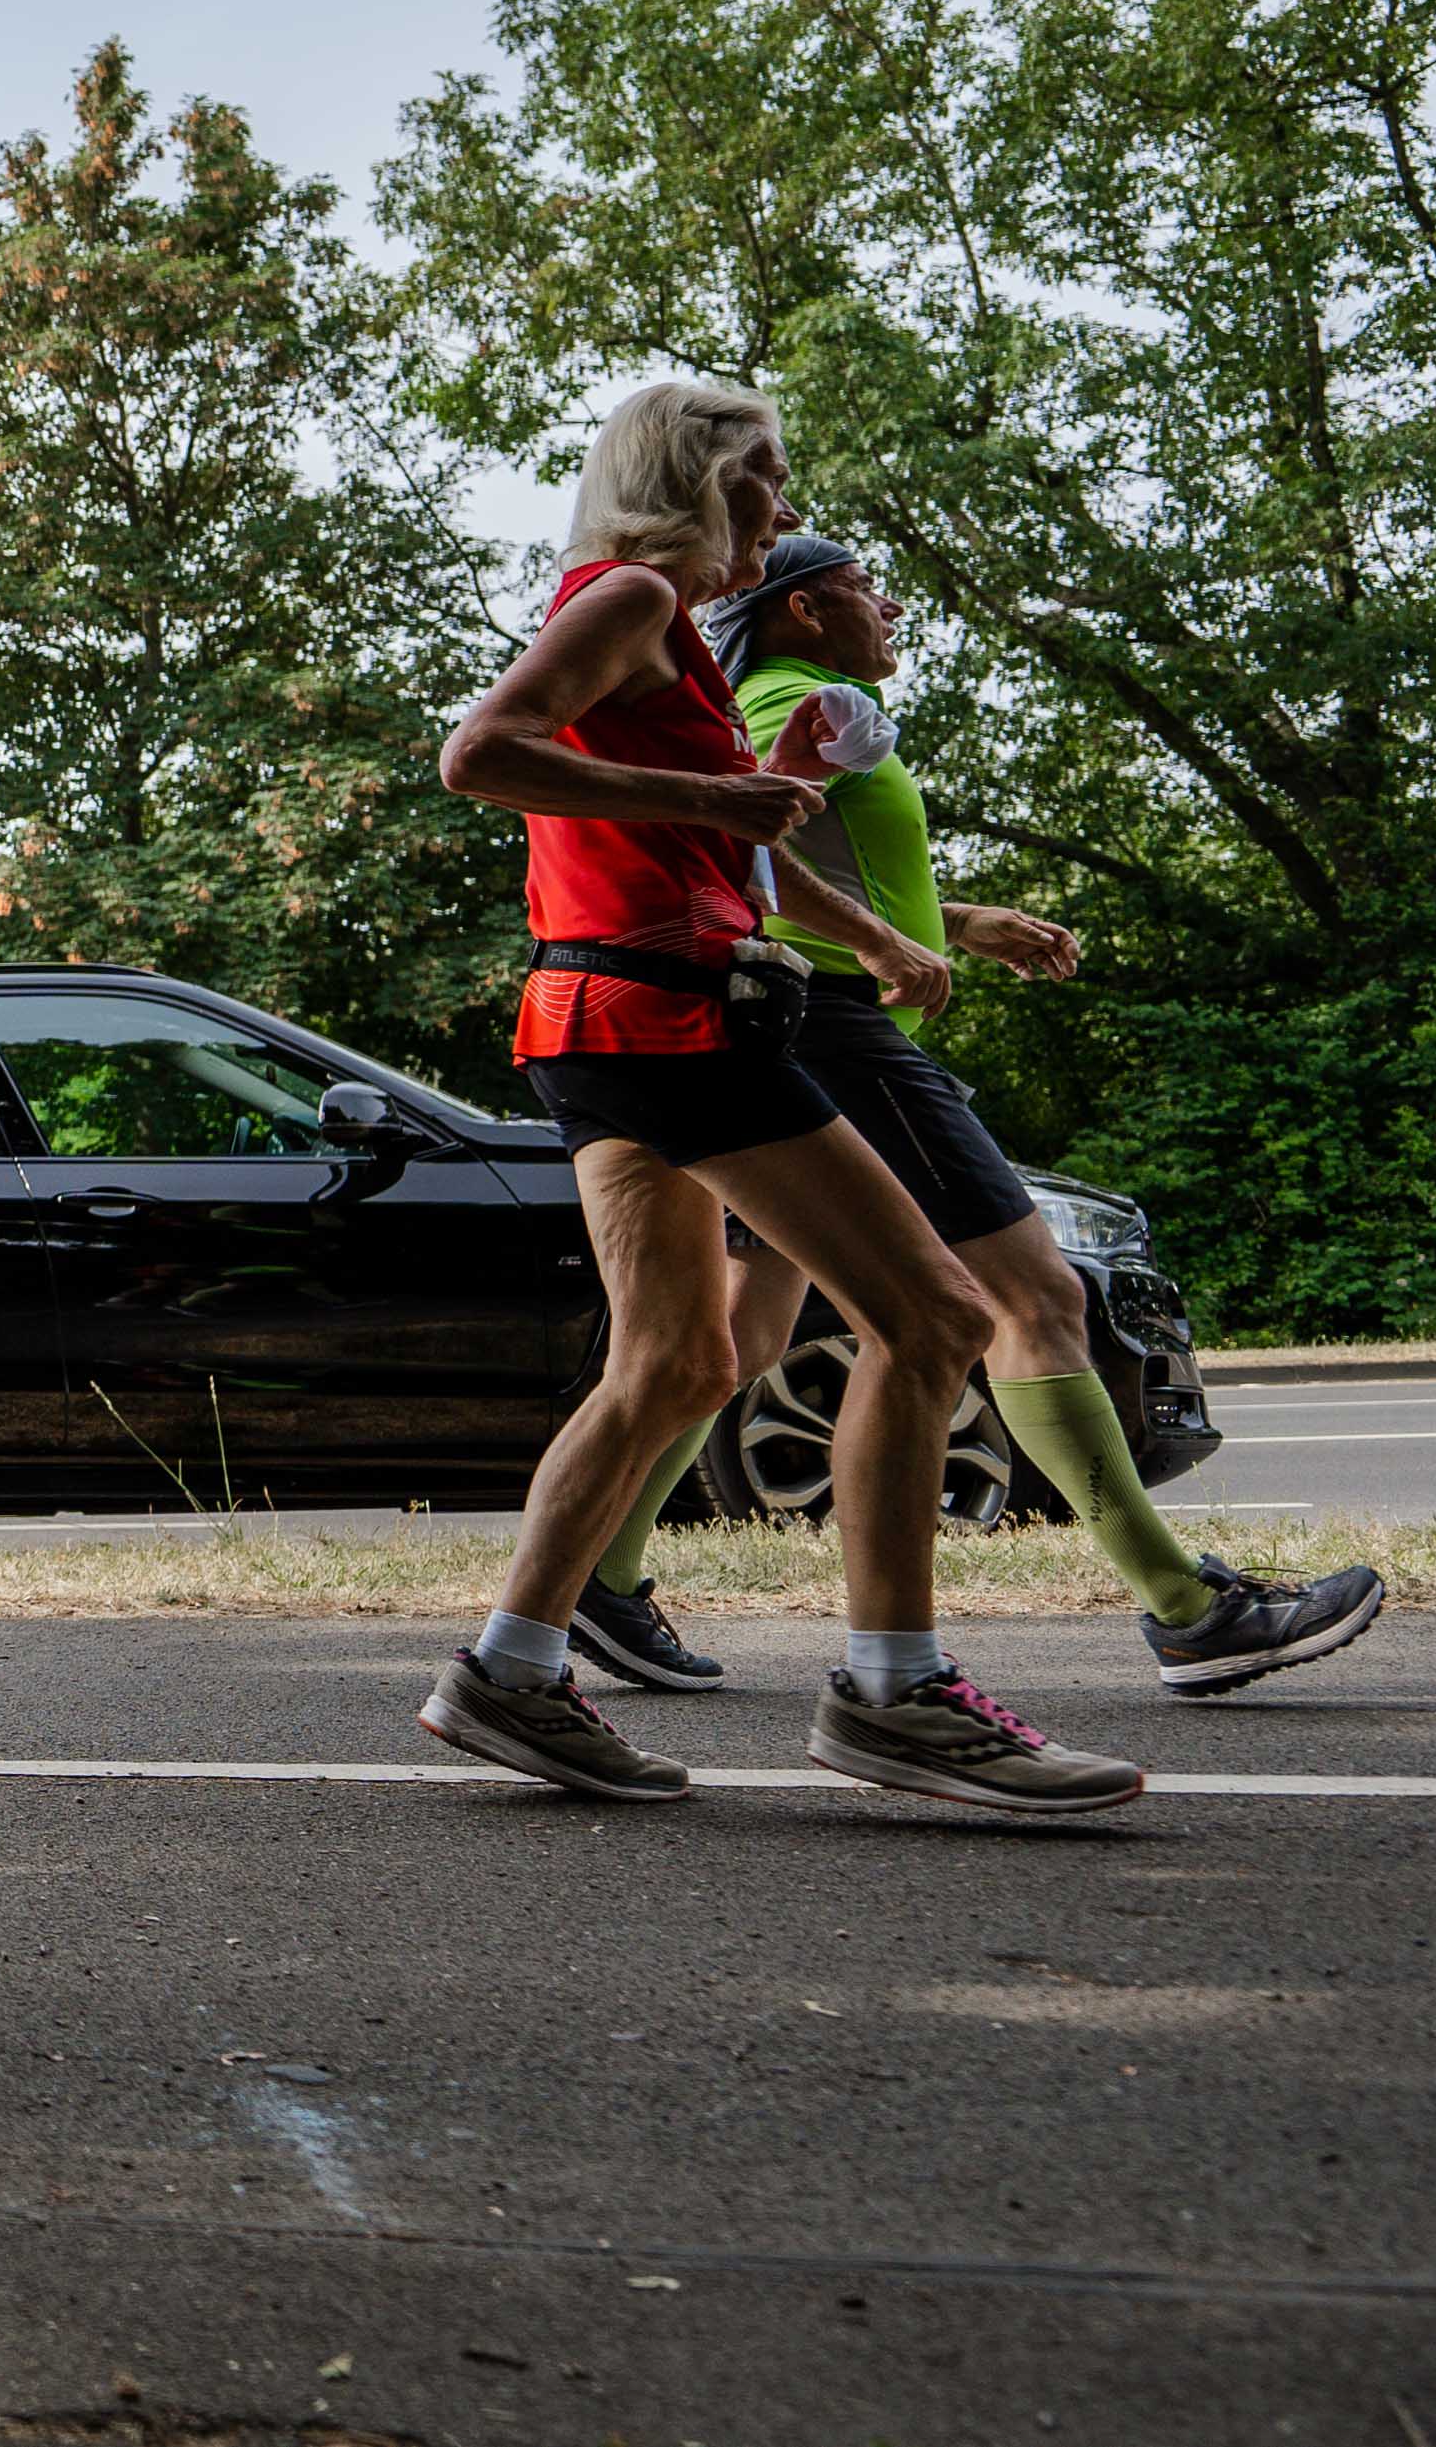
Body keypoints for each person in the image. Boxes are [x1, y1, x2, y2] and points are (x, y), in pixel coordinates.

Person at [417, 381, 1138, 1813]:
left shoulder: (664, 634)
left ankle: (507, 1668)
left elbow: (735, 831)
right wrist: (704, 807)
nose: (785, 509)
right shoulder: (623, 593)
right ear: (692, 479)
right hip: (665, 1020)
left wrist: (868, 933)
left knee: (677, 1364)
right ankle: (895, 1692)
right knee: (933, 1315)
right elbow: (480, 752)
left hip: (594, 1016)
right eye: (765, 477)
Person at [553, 533, 1382, 1701]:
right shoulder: (809, 695)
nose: (887, 608)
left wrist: (950, 922)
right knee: (1030, 1297)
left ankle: (600, 1572)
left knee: (736, 1338)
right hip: (834, 1032)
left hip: (763, 1024)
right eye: (860, 587)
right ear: (798, 608)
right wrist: (883, 942)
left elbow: (778, 861)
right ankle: (1187, 1609)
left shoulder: (754, 692)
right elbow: (734, 847)